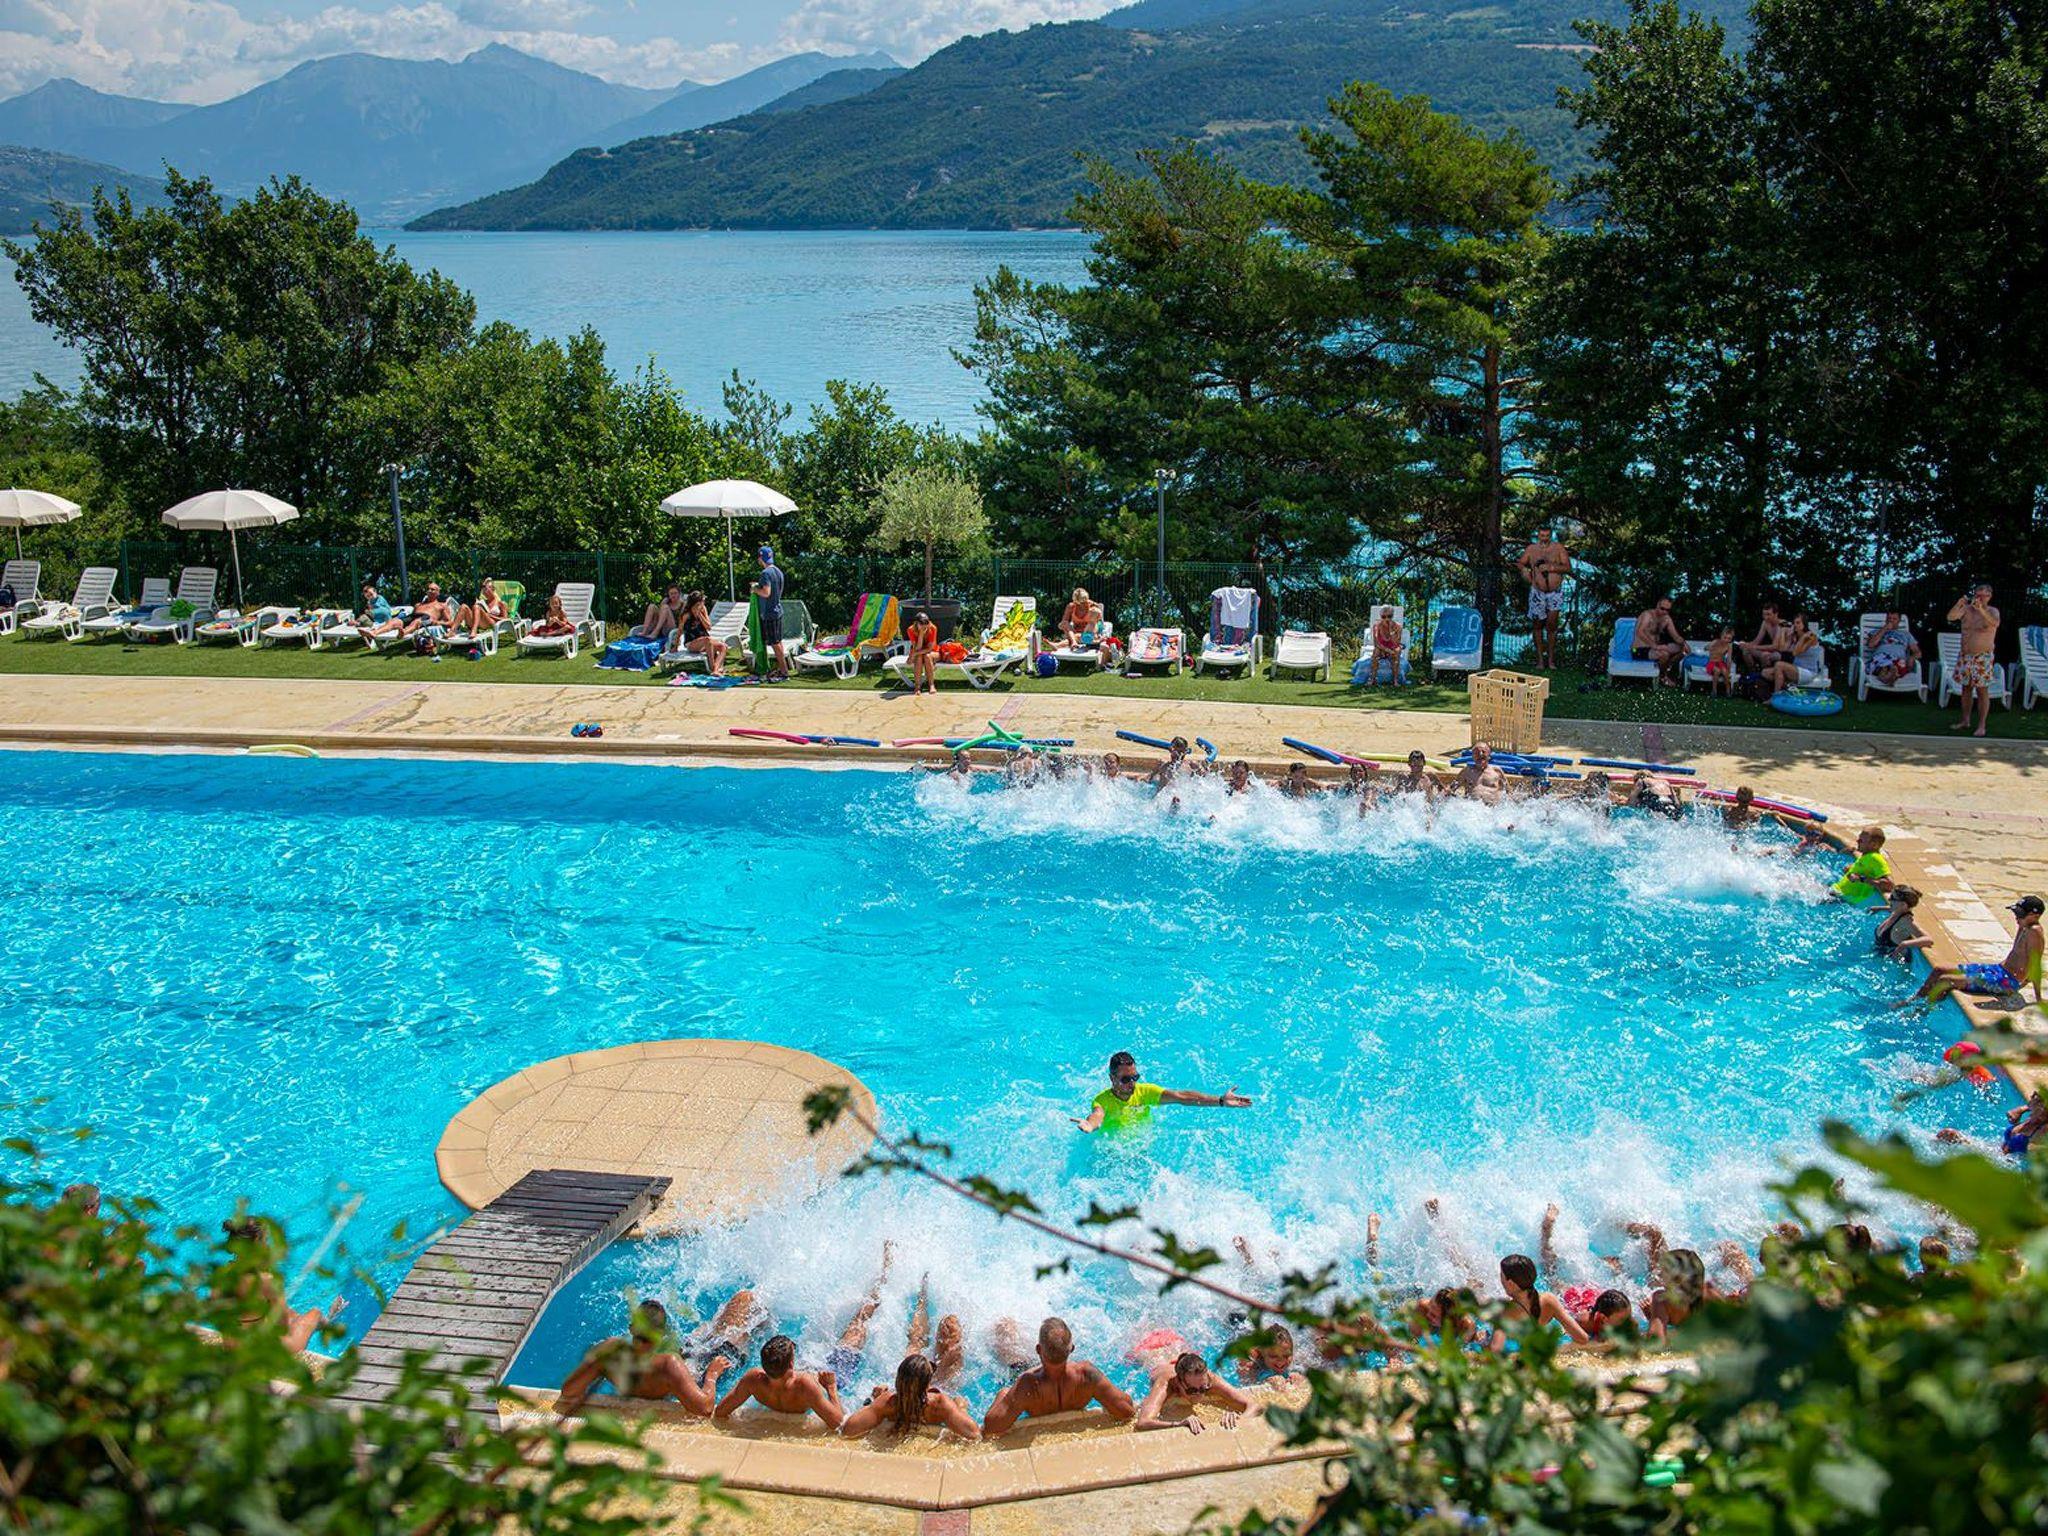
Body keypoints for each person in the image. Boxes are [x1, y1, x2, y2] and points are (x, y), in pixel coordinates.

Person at [555, 1298, 736, 1419]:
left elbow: (569, 1390)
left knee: (703, 1334)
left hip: (680, 1367)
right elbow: (704, 1408)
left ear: (632, 1329)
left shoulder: (610, 1351)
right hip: (698, 1371)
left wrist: (600, 1370)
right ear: (662, 1334)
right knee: (740, 1311)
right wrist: (712, 1374)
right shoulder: (669, 1364)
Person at [981, 1317, 1136, 1435]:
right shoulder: (1087, 1375)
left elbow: (992, 1427)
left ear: (1038, 1349)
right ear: (1072, 1349)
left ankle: (1005, 1326)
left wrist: (1003, 1395)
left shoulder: (1027, 1384)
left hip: (1031, 1378)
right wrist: (1106, 1395)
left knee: (1010, 1349)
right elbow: (1127, 1411)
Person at [221, 1217, 343, 1352]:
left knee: (285, 1314)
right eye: (265, 1240)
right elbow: (282, 1326)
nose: (267, 1246)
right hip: (255, 1353)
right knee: (315, 1313)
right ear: (256, 1242)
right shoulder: (265, 1279)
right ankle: (328, 1319)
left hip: (230, 1346)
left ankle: (310, 1320)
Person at [1907, 895, 2045, 1006]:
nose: (2016, 917)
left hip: (2006, 982)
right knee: (1939, 969)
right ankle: (1913, 1001)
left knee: (1945, 980)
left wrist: (2038, 998)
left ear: (2035, 916)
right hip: (1997, 970)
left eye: (2020, 914)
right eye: (2016, 913)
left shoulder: (2035, 932)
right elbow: (2020, 955)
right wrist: (2026, 979)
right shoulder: (2024, 925)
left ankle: (1921, 1012)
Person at [1072, 1050, 1252, 1133]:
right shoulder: (1102, 1100)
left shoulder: (1145, 1092)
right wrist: (1090, 1125)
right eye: (1125, 1079)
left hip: (1141, 1150)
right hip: (1111, 1151)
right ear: (1112, 1078)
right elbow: (1097, 1115)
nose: (1132, 1084)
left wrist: (1220, 1100)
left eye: (1135, 1077)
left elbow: (1182, 1097)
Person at [839, 1349, 981, 1440]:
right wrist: (961, 1408)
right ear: (928, 1385)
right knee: (952, 1356)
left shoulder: (889, 1402)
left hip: (904, 1392)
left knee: (914, 1344)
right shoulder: (939, 1403)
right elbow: (974, 1433)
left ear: (898, 1379)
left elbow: (848, 1430)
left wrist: (874, 1401)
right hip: (935, 1395)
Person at [1133, 1350, 1254, 1434]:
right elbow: (1143, 1422)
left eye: (1203, 1389)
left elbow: (1254, 1406)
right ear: (1179, 1383)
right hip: (1153, 1354)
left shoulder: (1210, 1380)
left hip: (1179, 1352)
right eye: (1192, 1390)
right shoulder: (1166, 1385)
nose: (1200, 1395)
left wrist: (1240, 1418)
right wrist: (1178, 1424)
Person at [1497, 1253, 1591, 1345]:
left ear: (1510, 1283)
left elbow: (1495, 1348)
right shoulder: (1549, 1300)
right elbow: (1583, 1338)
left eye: (1501, 1276)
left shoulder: (1506, 1311)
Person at [1946, 584, 2000, 736]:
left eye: (1983, 596)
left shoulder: (1992, 611)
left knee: (1982, 690)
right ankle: (1965, 720)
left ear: (1989, 596)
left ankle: (1982, 725)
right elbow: (1950, 617)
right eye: (1977, 595)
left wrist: (1981, 609)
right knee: (1966, 688)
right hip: (1965, 655)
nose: (1979, 598)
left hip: (1982, 656)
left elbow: (1995, 623)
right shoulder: (1966, 610)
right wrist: (1958, 604)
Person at [1517, 528, 1571, 669]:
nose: (1544, 538)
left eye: (1547, 535)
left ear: (1550, 535)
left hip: (1554, 592)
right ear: (1538, 535)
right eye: (1542, 535)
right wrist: (1524, 570)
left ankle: (1551, 661)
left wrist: (1551, 567)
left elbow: (1567, 567)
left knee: (1552, 625)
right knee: (1537, 625)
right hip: (1537, 592)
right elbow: (1521, 563)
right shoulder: (1531, 549)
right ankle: (1540, 661)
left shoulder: (1558, 548)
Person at [1763, 613, 1825, 696]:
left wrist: (1802, 638)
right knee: (1765, 673)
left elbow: (1795, 652)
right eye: (1794, 623)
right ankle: (1788, 690)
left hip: (1807, 672)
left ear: (1804, 624)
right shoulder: (1795, 636)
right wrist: (1783, 631)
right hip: (1796, 670)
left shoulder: (1811, 636)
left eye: (1798, 623)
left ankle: (1775, 696)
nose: (1795, 625)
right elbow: (1782, 649)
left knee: (1779, 665)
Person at [753, 546, 789, 681]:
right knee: (778, 642)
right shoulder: (778, 572)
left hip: (769, 613)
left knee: (775, 643)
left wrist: (754, 589)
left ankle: (784, 672)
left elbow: (766, 592)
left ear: (760, 558)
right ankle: (783, 669)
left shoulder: (765, 573)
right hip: (777, 610)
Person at [1832, 826, 1893, 905]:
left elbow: (1889, 884)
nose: (1857, 841)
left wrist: (1861, 878)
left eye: (1861, 840)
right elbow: (1865, 870)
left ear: (1873, 845)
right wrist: (1851, 869)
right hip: (1839, 893)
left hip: (1845, 899)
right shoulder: (1867, 855)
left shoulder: (1875, 858)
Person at [1632, 596, 1686, 685]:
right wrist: (1655, 646)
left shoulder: (1666, 619)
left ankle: (1666, 667)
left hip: (1654, 649)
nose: (1664, 612)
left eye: (1667, 610)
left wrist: (1684, 644)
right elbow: (1639, 632)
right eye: (1662, 608)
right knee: (1664, 654)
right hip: (1638, 650)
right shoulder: (1647, 615)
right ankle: (1662, 676)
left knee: (1682, 649)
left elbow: (1676, 636)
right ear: (1657, 605)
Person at [1874, 885, 1933, 962]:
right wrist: (1879, 908)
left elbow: (1929, 940)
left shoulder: (1906, 921)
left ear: (1903, 904)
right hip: (1880, 956)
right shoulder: (1897, 912)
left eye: (1892, 898)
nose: (1889, 899)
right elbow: (1891, 908)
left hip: (1896, 962)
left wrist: (1904, 944)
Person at [675, 590, 727, 675]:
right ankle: (713, 669)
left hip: (706, 641)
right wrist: (675, 646)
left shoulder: (703, 609)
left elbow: (708, 627)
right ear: (695, 603)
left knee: (723, 646)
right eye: (701, 602)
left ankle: (716, 669)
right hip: (691, 643)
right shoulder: (686, 615)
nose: (703, 603)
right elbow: (680, 630)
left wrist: (700, 615)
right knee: (707, 640)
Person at [1863, 610, 1919, 685]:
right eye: (1889, 618)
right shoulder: (1877, 632)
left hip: (1898, 659)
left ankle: (1887, 675)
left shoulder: (1906, 634)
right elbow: (1871, 644)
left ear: (1899, 621)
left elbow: (1917, 652)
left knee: (1898, 665)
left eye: (1894, 619)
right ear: (1886, 620)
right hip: (1881, 656)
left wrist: (1912, 658)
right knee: (1884, 664)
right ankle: (1889, 675)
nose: (1891, 620)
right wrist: (1884, 629)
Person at [1737, 603, 1789, 673]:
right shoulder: (1765, 622)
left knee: (1765, 656)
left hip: (1783, 653)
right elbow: (1757, 641)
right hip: (1773, 650)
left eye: (1768, 614)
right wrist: (1746, 645)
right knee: (1746, 650)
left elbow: (1775, 646)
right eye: (1764, 614)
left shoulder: (1783, 624)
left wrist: (1754, 647)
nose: (1766, 617)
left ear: (1776, 614)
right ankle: (1753, 673)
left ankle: (1763, 677)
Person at [1454, 742, 1507, 806]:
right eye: (1476, 753)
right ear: (1473, 756)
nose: (1480, 754)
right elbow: (1451, 789)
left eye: (1483, 752)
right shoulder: (1467, 771)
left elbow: (1509, 792)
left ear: (1489, 755)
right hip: (1472, 809)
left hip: (1493, 810)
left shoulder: (1497, 771)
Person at [905, 609, 940, 695]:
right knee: (919, 657)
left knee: (927, 656)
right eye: (921, 624)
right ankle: (917, 686)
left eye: (926, 623)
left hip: (933, 652)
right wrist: (921, 634)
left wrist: (914, 654)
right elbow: (917, 648)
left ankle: (931, 685)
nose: (925, 626)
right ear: (916, 623)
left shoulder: (933, 628)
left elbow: (930, 649)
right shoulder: (910, 630)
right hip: (919, 652)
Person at [1367, 608, 1406, 685]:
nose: (1387, 619)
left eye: (1389, 616)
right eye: (1384, 617)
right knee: (1376, 652)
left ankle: (1395, 680)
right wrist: (1388, 651)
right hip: (1381, 647)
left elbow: (1396, 643)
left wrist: (1391, 630)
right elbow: (1376, 643)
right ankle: (1372, 679)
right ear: (1381, 617)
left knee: (1397, 651)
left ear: (1392, 616)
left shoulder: (1398, 627)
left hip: (1393, 647)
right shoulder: (1376, 626)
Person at [1704, 625, 1737, 697]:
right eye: (1725, 637)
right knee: (1717, 670)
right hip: (1712, 662)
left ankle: (1728, 691)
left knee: (1725, 672)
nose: (1726, 640)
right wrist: (1709, 646)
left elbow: (1729, 658)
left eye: (1729, 638)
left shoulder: (1729, 645)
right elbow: (1705, 648)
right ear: (1721, 636)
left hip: (1721, 662)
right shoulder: (1716, 641)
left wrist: (1728, 669)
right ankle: (1714, 690)